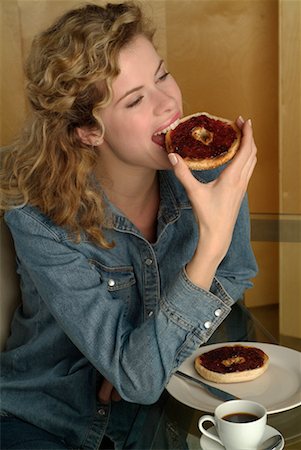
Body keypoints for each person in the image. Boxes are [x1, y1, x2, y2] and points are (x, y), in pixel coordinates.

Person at [0, 2, 258, 449]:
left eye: (162, 75)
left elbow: (235, 273)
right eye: (136, 99)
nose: (167, 104)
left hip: (162, 408)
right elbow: (139, 377)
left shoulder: (211, 166)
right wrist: (210, 245)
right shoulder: (38, 218)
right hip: (48, 417)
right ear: (88, 131)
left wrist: (159, 360)